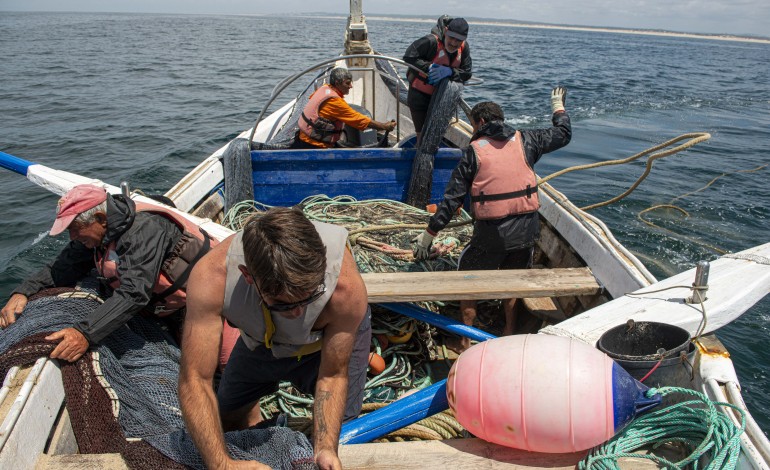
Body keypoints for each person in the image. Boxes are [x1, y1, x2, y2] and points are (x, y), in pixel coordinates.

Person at [178, 206, 371, 470]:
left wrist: (326, 448)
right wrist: (221, 464)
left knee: (347, 429)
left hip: (324, 343)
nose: (298, 312)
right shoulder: (211, 279)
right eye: (282, 304)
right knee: (226, 417)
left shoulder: (346, 289)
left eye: (310, 297)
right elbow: (196, 379)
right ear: (248, 276)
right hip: (261, 341)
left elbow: (333, 375)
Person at [413, 87, 571, 353]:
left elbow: (452, 200)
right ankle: (508, 333)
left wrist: (429, 234)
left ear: (481, 123)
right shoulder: (528, 139)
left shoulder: (474, 151)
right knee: (513, 279)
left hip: (492, 235)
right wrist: (558, 107)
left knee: (468, 279)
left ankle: (463, 341)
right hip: (527, 232)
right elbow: (564, 134)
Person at [0, 184, 210, 362]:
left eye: (75, 228)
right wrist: (23, 292)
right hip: (159, 310)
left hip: (204, 306)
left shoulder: (144, 231)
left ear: (100, 218)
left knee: (219, 367)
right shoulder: (95, 235)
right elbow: (61, 269)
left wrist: (84, 333)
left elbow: (133, 294)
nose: (72, 237)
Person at [403, 16, 472, 144]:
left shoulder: (464, 48)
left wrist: (450, 71)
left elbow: (467, 72)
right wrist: (428, 67)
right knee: (422, 136)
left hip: (443, 97)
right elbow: (408, 56)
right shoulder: (430, 41)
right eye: (451, 38)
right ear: (446, 31)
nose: (454, 43)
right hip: (419, 96)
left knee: (436, 134)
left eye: (459, 40)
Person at [291, 67, 396, 149]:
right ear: (337, 83)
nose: (351, 86)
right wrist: (384, 126)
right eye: (347, 83)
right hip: (314, 145)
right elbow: (358, 119)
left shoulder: (324, 88)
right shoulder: (334, 102)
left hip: (303, 138)